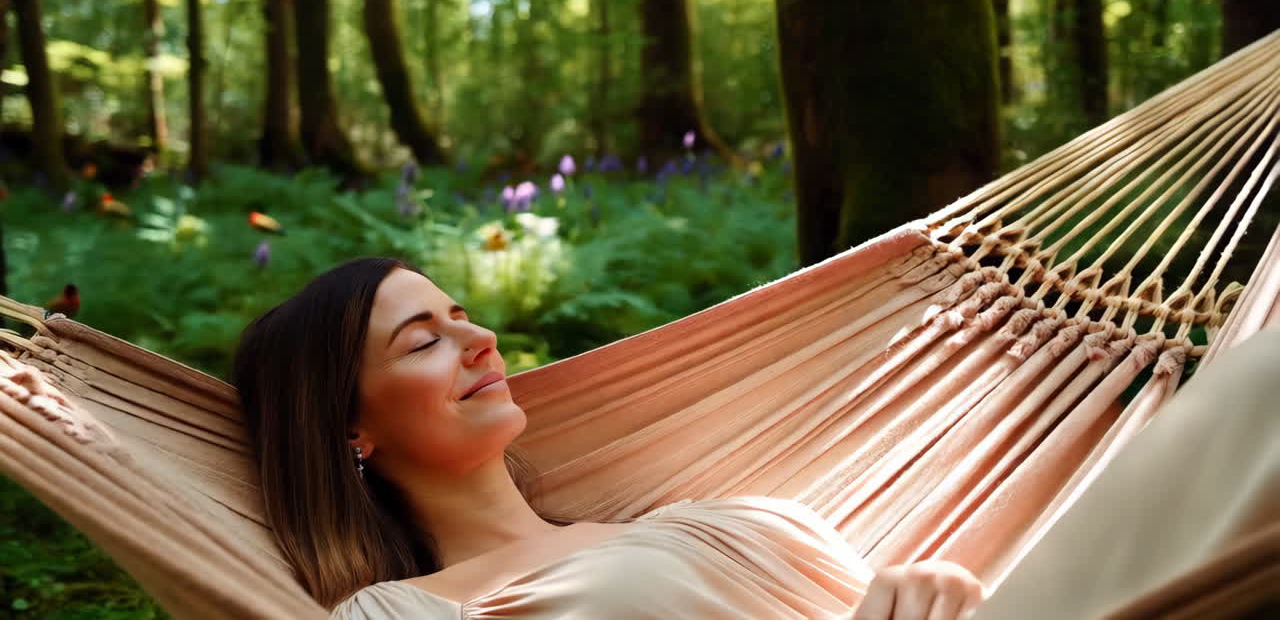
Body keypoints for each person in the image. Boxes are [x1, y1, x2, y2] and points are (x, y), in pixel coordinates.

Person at [233, 257, 988, 620]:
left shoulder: (706, 521)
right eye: (421, 342)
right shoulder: (396, 614)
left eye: (463, 316)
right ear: (349, 428)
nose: (481, 339)